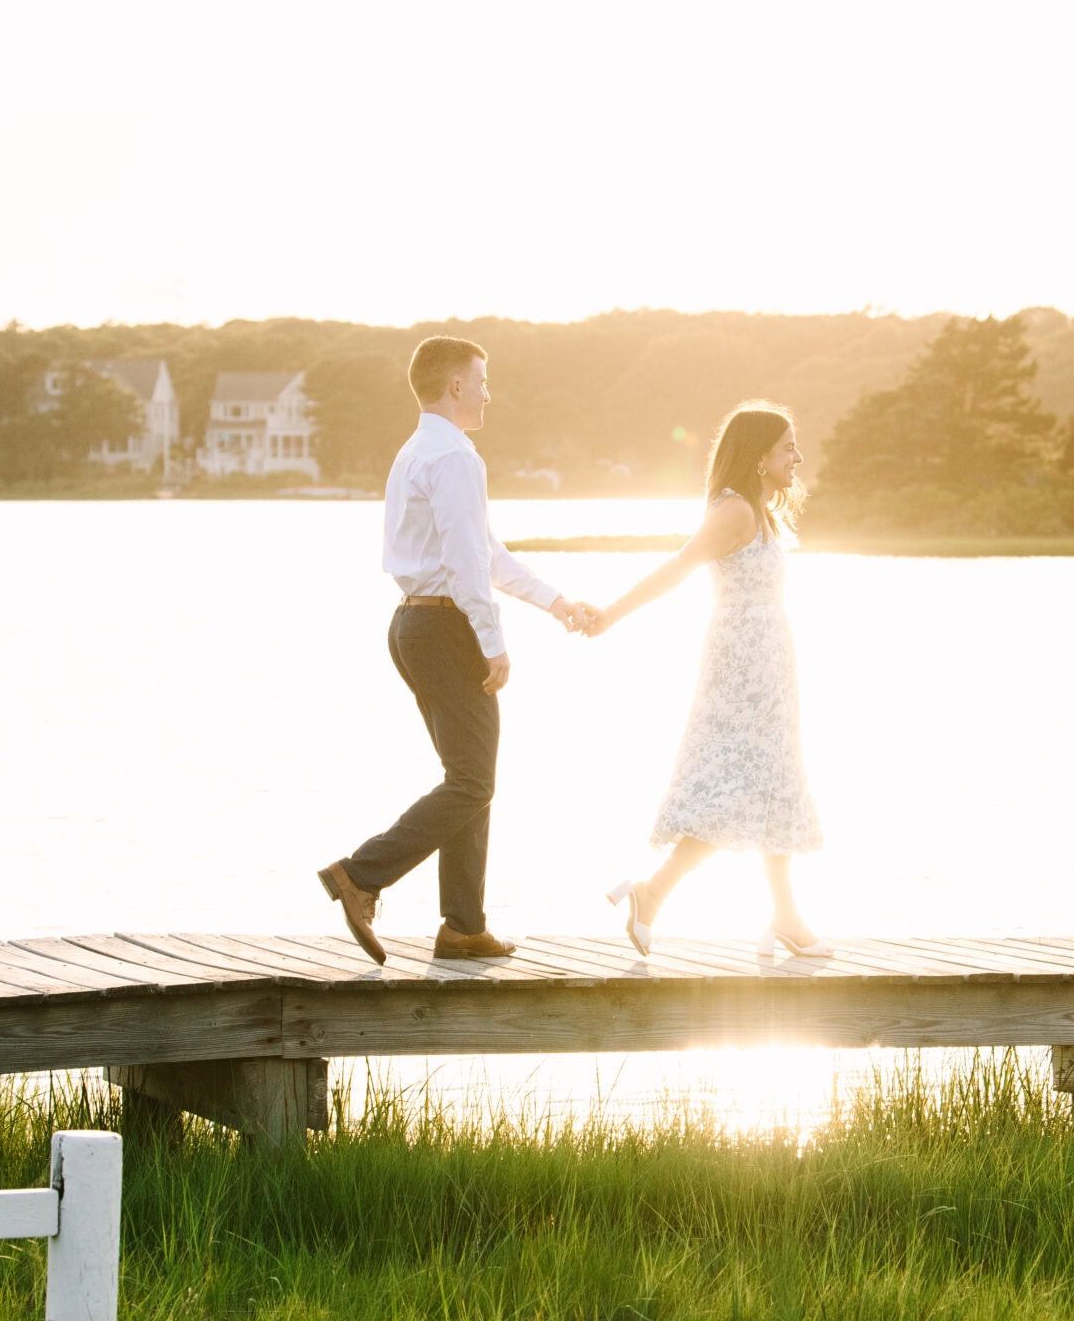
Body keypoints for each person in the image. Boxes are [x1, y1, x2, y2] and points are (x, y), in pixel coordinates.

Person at [320, 336, 596, 964]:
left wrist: (556, 603)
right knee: (473, 781)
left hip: (414, 626)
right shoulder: (454, 457)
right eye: (481, 380)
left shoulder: (417, 451)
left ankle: (464, 927)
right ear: (453, 387)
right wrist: (493, 643)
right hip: (445, 630)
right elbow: (468, 564)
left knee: (468, 779)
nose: (488, 393)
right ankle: (361, 876)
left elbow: (486, 554)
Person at [584, 403, 826, 959]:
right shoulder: (736, 512)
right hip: (741, 671)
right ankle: (653, 892)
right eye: (788, 446)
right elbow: (678, 566)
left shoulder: (763, 513)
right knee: (734, 788)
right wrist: (611, 613)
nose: (798, 456)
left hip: (768, 666)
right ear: (760, 455)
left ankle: (784, 914)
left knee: (772, 782)